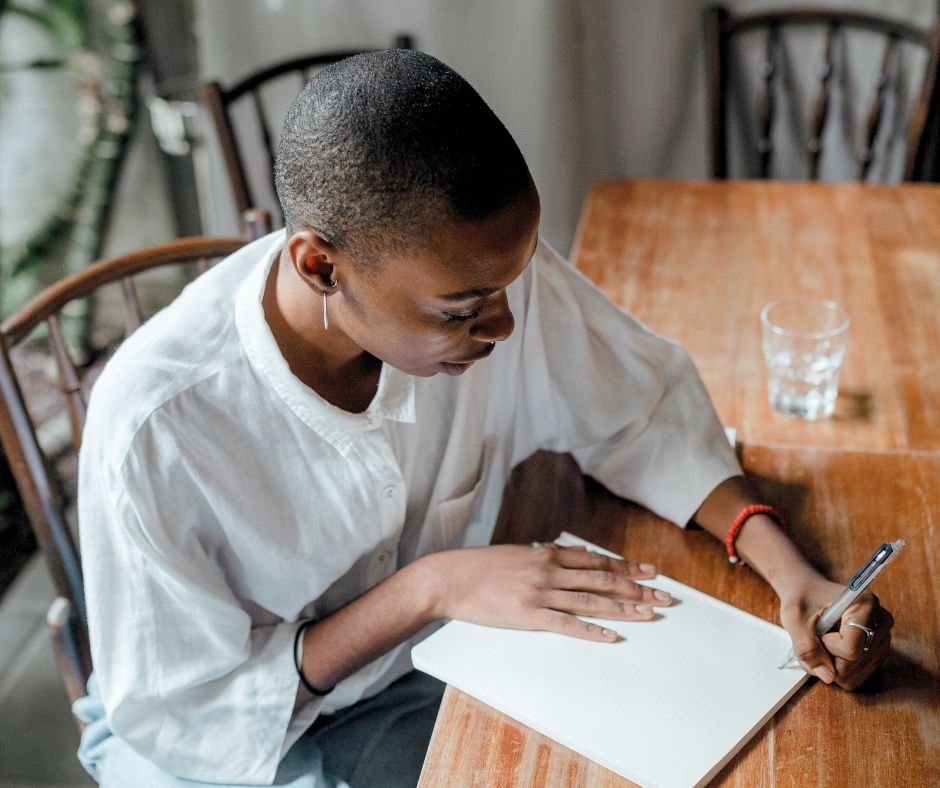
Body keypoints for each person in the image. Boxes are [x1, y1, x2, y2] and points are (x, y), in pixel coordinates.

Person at [74, 50, 892, 787]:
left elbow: (643, 410)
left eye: (513, 283)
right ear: (321, 266)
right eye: (462, 310)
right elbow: (184, 713)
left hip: (427, 675)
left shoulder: (478, 277)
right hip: (231, 750)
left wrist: (792, 571)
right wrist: (429, 587)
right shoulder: (156, 425)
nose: (503, 324)